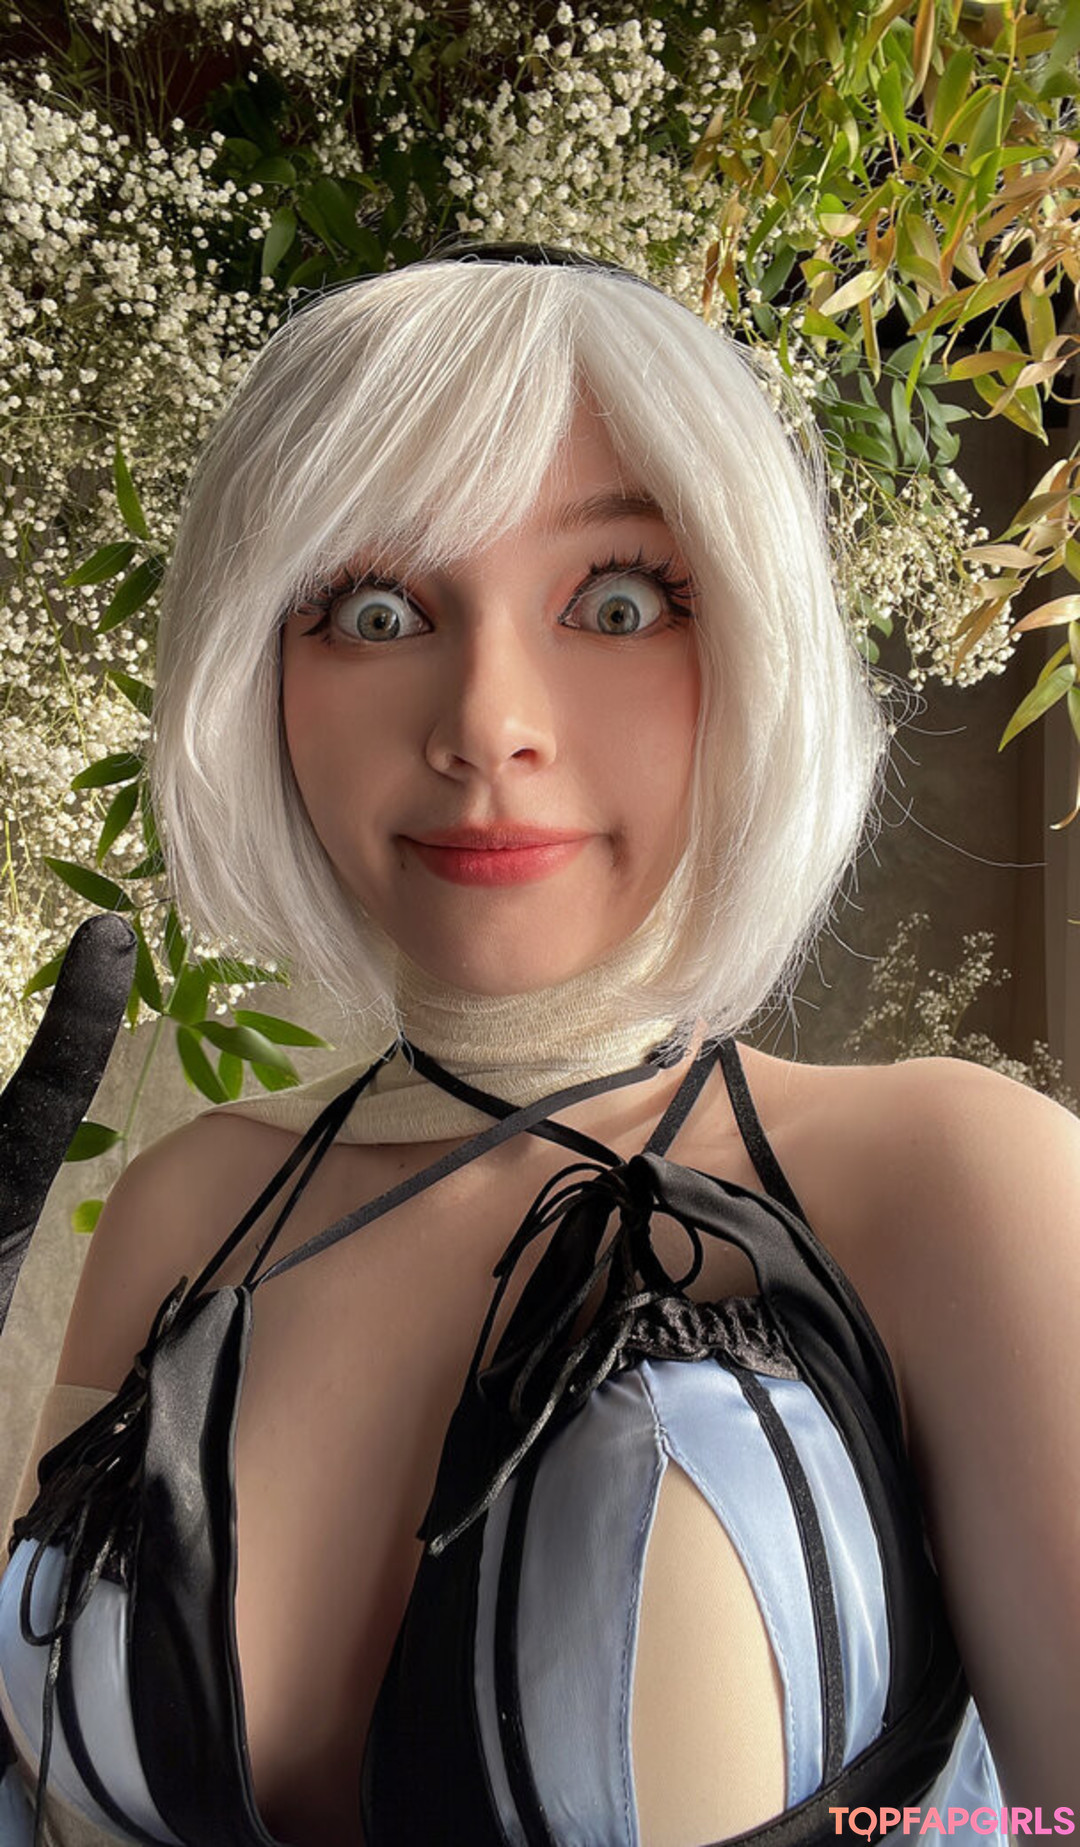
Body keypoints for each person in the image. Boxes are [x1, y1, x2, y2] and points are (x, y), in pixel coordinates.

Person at [0, 246, 1077, 1847]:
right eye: (375, 609)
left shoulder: (955, 1185)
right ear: (256, 671)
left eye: (618, 602)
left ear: (756, 650)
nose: (487, 723)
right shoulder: (187, 1205)